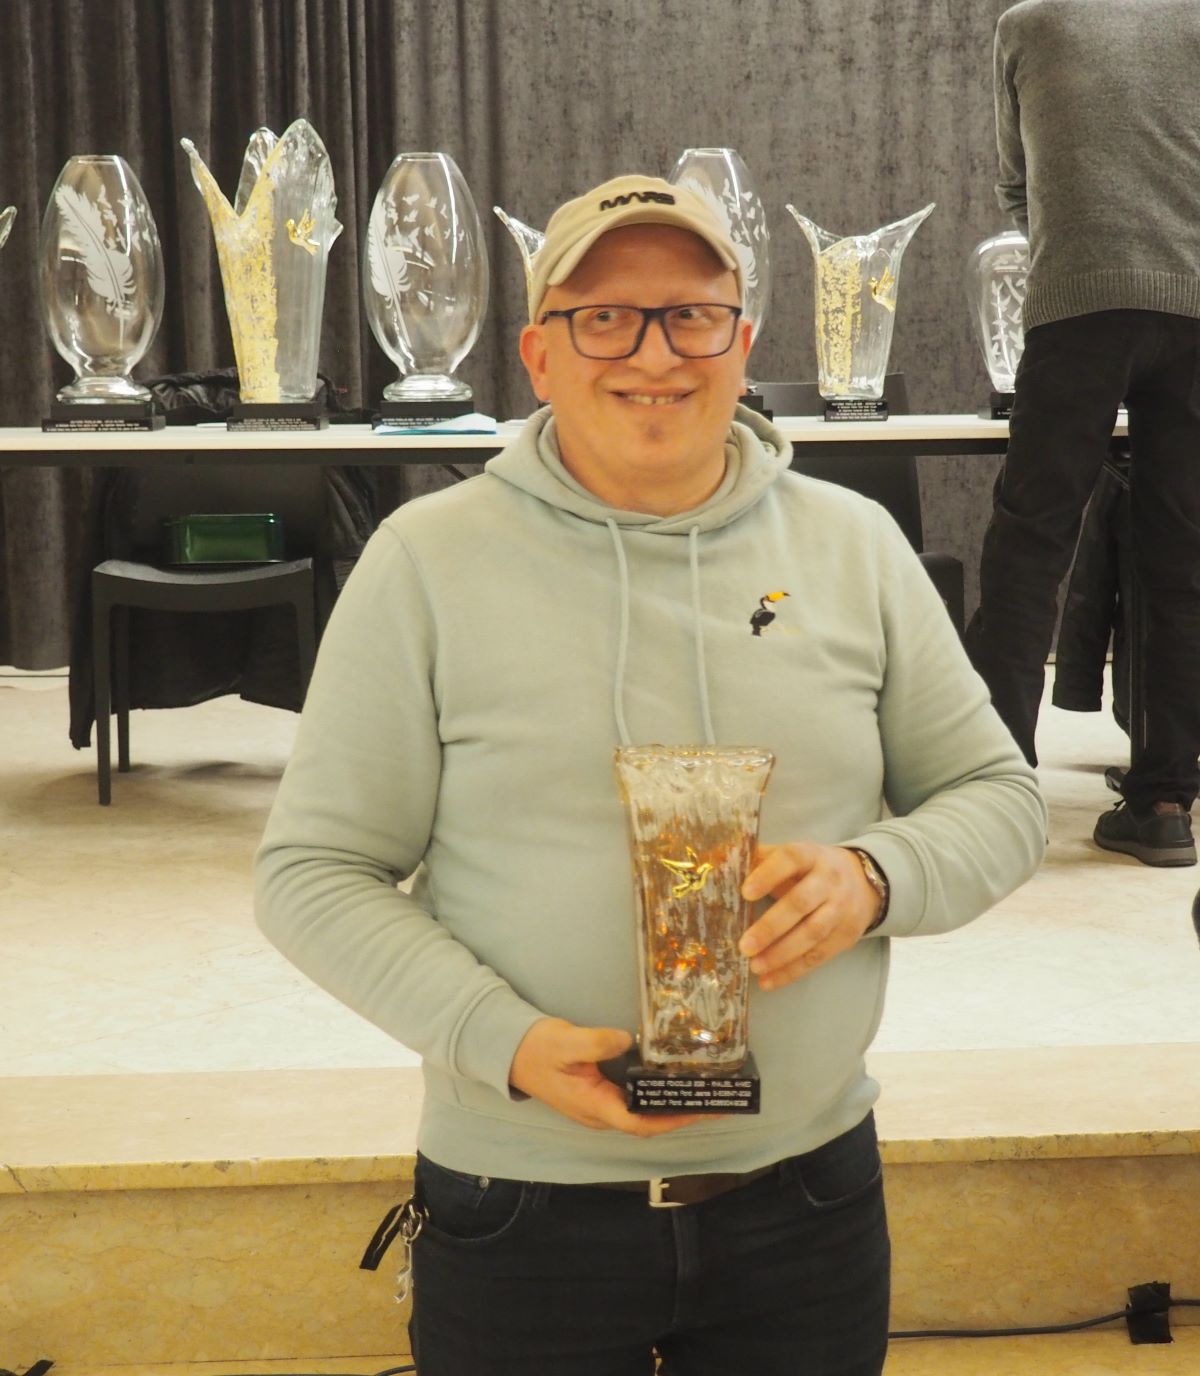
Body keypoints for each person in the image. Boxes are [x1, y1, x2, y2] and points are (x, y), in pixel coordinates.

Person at [255, 174, 1046, 1376]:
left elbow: (998, 797)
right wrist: (502, 1038)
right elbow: (313, 871)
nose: (655, 353)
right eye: (605, 318)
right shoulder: (427, 563)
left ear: (744, 341)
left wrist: (876, 876)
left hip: (807, 1198)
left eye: (691, 315)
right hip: (521, 1201)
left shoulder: (854, 547)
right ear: (539, 355)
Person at [964, 0, 1200, 867]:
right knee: (1182, 559)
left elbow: (1015, 186)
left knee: (1031, 544)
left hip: (1078, 305)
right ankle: (1166, 803)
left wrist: (1084, 253)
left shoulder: (1030, 22)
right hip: (1197, 307)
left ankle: (993, 795)